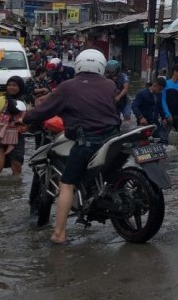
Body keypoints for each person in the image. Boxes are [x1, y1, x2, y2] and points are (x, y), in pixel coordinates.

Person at [23, 49, 120, 245]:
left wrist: (24, 117)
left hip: (87, 141)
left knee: (67, 183)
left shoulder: (68, 86)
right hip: (112, 137)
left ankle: (59, 234)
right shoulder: (110, 85)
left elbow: (44, 110)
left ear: (79, 64)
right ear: (101, 66)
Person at [0, 76, 27, 177]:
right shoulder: (1, 100)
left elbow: (28, 119)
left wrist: (23, 128)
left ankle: (16, 191)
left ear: (20, 87)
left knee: (17, 167)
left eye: (14, 85)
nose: (11, 87)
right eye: (9, 85)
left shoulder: (25, 102)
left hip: (17, 137)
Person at [132, 79, 168, 144]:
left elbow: (160, 107)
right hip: (144, 123)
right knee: (142, 143)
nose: (160, 91)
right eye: (159, 89)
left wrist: (164, 117)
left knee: (164, 140)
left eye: (161, 90)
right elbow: (134, 106)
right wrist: (141, 117)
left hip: (155, 122)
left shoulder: (159, 95)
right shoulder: (142, 94)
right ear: (155, 85)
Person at [105, 60, 131, 127]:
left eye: (113, 72)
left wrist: (118, 97)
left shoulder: (123, 76)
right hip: (113, 102)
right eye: (110, 72)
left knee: (127, 117)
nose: (112, 75)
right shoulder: (106, 78)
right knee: (115, 120)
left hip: (124, 100)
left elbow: (126, 88)